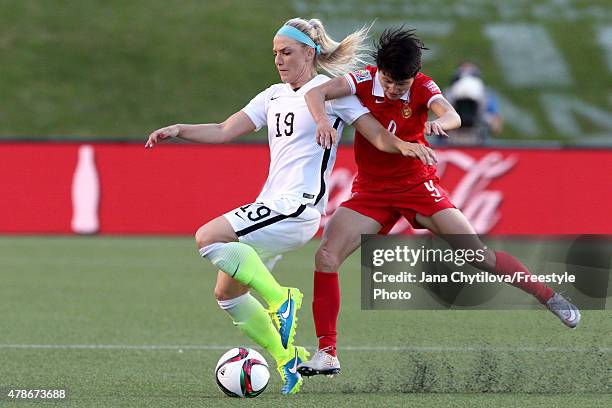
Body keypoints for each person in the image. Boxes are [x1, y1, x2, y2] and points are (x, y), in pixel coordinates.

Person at [145, 18, 423, 394]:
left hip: (298, 207)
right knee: (228, 294)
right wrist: (179, 129)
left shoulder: (331, 93)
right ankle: (286, 359)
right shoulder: (272, 95)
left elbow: (376, 134)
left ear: (309, 53)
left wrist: (406, 145)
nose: (278, 59)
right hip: (272, 206)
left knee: (208, 237)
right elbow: (225, 130)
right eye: (275, 52)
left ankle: (281, 299)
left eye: (286, 51)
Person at [298, 27, 581, 377]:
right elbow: (318, 93)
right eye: (387, 82)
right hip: (371, 191)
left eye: (398, 85)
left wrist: (438, 123)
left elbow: (452, 115)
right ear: (380, 71)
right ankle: (327, 353)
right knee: (325, 257)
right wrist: (323, 121)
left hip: (417, 186)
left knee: (477, 255)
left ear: (413, 76)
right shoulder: (362, 80)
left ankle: (548, 296)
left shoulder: (422, 86)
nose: (391, 90)